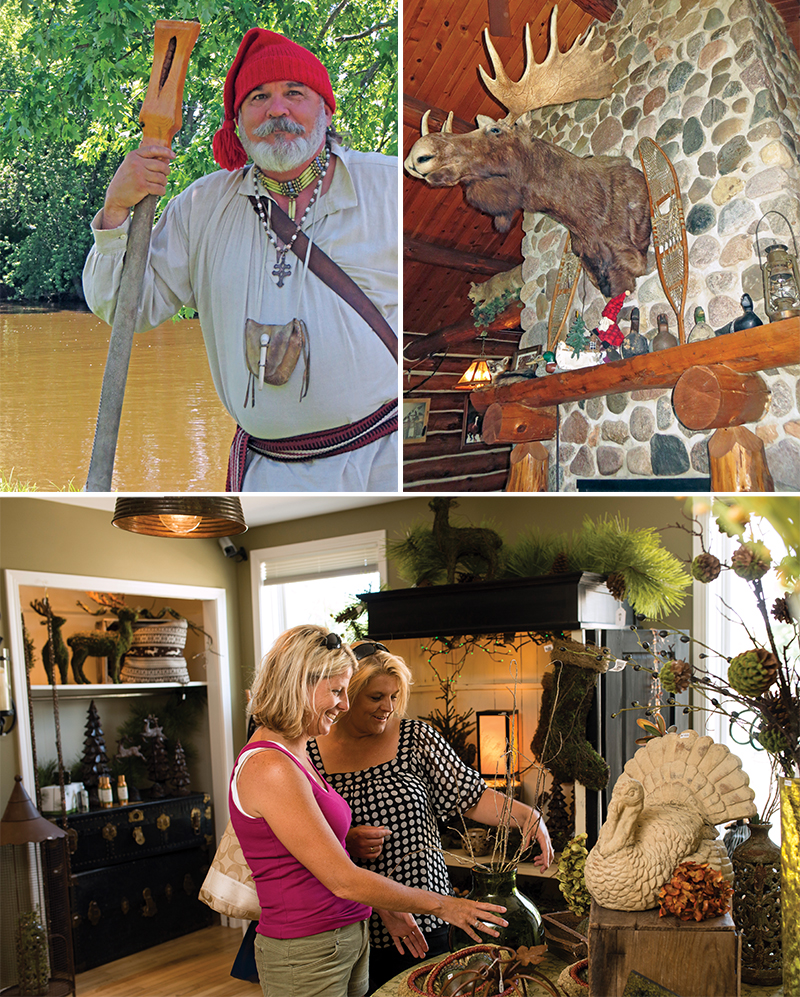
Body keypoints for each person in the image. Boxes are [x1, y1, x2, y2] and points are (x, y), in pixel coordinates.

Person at [83, 28, 397, 492]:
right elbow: (125, 310)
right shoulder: (203, 207)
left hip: (383, 462)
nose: (277, 109)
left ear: (326, 110)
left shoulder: (390, 190)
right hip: (269, 474)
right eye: (258, 97)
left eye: (295, 93)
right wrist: (116, 211)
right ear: (237, 122)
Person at [231, 625, 508, 997]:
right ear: (299, 684)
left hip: (345, 935)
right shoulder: (271, 765)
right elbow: (342, 879)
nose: (344, 704)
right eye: (335, 691)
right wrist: (444, 905)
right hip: (307, 949)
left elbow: (310, 843)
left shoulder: (298, 750)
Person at [307, 641, 554, 993]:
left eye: (394, 697)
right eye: (376, 697)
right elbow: (300, 836)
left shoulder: (415, 738)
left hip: (428, 913)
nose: (387, 709)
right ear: (347, 694)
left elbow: (471, 796)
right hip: (349, 921)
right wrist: (346, 839)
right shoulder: (311, 751)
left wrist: (528, 816)